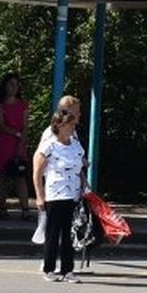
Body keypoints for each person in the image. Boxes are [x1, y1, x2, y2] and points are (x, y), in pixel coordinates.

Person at [33, 107, 85, 282]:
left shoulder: (76, 145)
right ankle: (49, 268)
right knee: (53, 233)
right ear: (58, 125)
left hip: (72, 193)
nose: (71, 128)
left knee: (70, 233)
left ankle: (67, 269)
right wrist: (40, 196)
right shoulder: (50, 145)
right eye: (67, 124)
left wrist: (84, 187)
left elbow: (80, 168)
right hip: (55, 194)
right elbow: (38, 171)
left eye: (72, 124)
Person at [0, 73, 31, 220]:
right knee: (2, 176)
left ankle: (25, 210)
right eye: (11, 84)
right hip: (3, 143)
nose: (14, 87)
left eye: (16, 84)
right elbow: (1, 125)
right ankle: (2, 208)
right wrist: (17, 134)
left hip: (18, 144)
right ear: (5, 85)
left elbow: (25, 126)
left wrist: (21, 142)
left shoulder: (23, 105)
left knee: (20, 177)